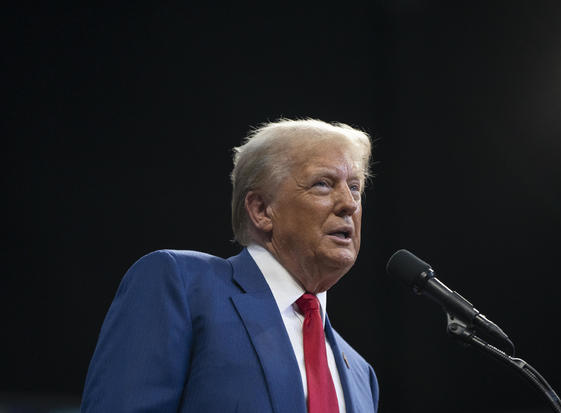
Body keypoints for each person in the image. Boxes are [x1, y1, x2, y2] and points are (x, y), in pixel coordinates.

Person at [81, 118, 379, 413]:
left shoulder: (360, 375)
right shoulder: (182, 286)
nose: (349, 204)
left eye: (355, 188)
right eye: (323, 184)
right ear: (261, 210)